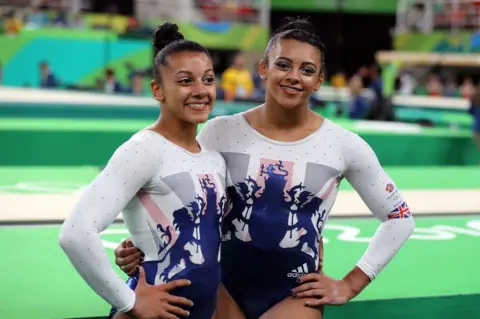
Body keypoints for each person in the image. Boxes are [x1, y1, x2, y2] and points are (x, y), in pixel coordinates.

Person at [114, 17, 415, 319]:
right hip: (220, 287)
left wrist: (350, 284)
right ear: (263, 68)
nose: (294, 77)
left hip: (296, 296)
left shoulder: (344, 145)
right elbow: (173, 195)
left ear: (319, 80)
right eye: (283, 65)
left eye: (307, 70)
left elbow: (399, 217)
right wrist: (144, 245)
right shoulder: (219, 132)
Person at [58, 22, 227, 319]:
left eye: (208, 79)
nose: (200, 91)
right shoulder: (143, 149)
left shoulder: (212, 157)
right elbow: (75, 233)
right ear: (157, 90)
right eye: (186, 81)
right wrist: (129, 301)